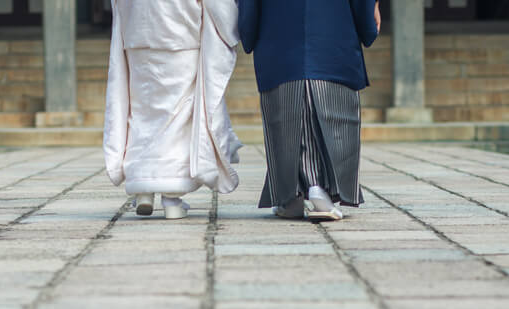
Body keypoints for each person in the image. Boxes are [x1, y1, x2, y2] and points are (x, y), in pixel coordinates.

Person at [238, 0, 380, 221]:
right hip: (332, 36)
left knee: (285, 120)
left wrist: (248, 28)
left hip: (279, 37)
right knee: (336, 118)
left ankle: (291, 197)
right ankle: (317, 187)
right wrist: (368, 17)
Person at [104, 0, 243, 220]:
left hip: (137, 42)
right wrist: (235, 26)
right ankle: (172, 198)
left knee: (140, 115)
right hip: (181, 40)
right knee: (178, 118)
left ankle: (143, 190)